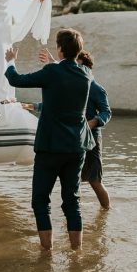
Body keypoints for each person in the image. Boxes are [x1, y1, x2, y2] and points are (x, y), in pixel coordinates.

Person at [4, 28, 95, 250]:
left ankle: (47, 255)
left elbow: (16, 80)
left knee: (40, 200)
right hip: (77, 147)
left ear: (61, 48)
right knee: (72, 201)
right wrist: (56, 62)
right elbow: (65, 75)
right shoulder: (86, 74)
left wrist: (10, 61)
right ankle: (77, 253)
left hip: (51, 147)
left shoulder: (53, 72)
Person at [35, 48, 112, 209]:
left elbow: (107, 112)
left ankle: (106, 214)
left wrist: (91, 123)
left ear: (84, 66)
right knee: (72, 181)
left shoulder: (96, 88)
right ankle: (74, 214)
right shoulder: (72, 83)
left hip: (91, 138)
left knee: (95, 181)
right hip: (74, 137)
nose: (72, 68)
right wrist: (32, 106)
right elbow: (57, 105)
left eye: (76, 64)